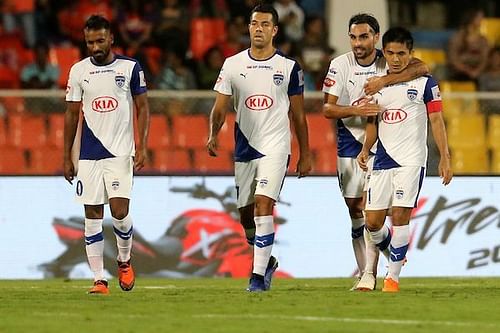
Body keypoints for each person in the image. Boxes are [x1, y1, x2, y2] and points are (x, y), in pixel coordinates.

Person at [207, 4, 311, 292]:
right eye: (255, 24)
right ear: (249, 27)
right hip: (245, 148)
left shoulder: (289, 67)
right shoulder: (232, 64)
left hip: (276, 146)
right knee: (246, 217)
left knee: (265, 205)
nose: (259, 29)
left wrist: (306, 152)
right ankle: (267, 261)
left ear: (275, 30)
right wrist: (213, 134)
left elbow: (299, 116)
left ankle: (256, 278)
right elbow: (219, 107)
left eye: (265, 24)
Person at [322, 13, 429, 291]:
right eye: (354, 37)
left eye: (364, 36)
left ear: (375, 37)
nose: (358, 43)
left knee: (370, 210)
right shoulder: (339, 64)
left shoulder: (388, 58)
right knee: (354, 209)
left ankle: (368, 273)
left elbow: (423, 67)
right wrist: (356, 110)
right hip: (349, 140)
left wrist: (383, 82)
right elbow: (327, 109)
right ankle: (388, 249)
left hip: (381, 141)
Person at [357, 27, 452, 292]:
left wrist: (445, 156)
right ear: (383, 52)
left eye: (401, 53)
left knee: (400, 215)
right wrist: (366, 148)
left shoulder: (425, 83)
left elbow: (436, 119)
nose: (396, 59)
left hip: (411, 160)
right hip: (383, 159)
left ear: (411, 54)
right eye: (390, 53)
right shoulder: (375, 84)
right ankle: (396, 252)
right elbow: (373, 122)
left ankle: (392, 279)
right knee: (373, 222)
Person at [63, 15, 150, 294]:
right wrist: (67, 155)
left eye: (100, 41)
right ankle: (100, 279)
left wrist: (144, 144)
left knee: (120, 211)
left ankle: (124, 260)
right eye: (90, 42)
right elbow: (71, 113)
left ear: (111, 38)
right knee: (92, 214)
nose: (95, 47)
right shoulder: (78, 71)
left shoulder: (130, 67)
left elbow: (143, 107)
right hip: (88, 154)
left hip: (120, 152)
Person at [447, 9, 490, 82]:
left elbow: (485, 59)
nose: (481, 20)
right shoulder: (458, 37)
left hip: (477, 73)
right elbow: (453, 57)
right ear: (471, 19)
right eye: (479, 18)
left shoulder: (483, 40)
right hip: (459, 72)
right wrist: (465, 69)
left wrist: (477, 71)